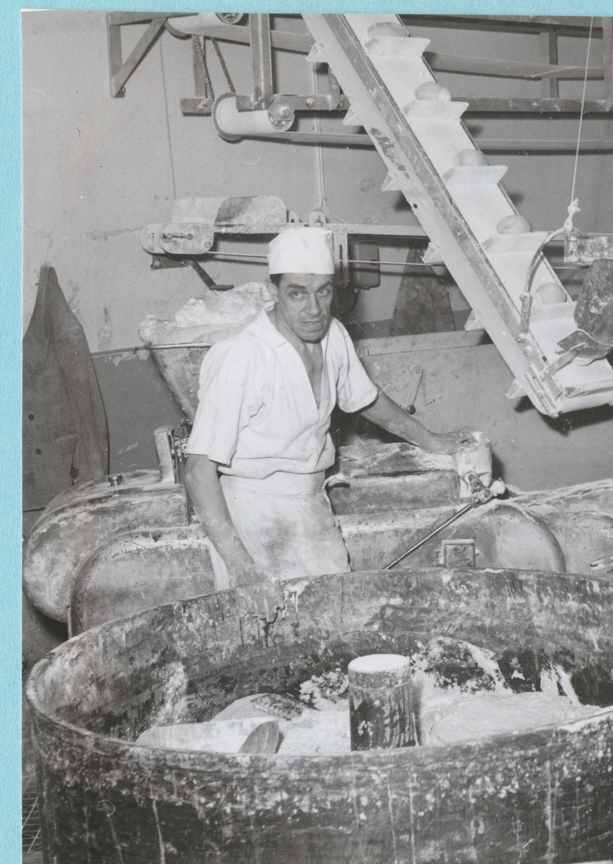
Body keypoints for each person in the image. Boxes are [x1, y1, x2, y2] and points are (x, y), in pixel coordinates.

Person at [184, 226, 472, 613]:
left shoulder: (333, 335)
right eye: (297, 293)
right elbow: (198, 472)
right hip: (251, 516)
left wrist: (432, 440)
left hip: (309, 502)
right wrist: (243, 570)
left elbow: (367, 400)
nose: (313, 309)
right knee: (269, 629)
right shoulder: (242, 356)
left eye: (323, 291)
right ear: (273, 291)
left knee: (338, 615)